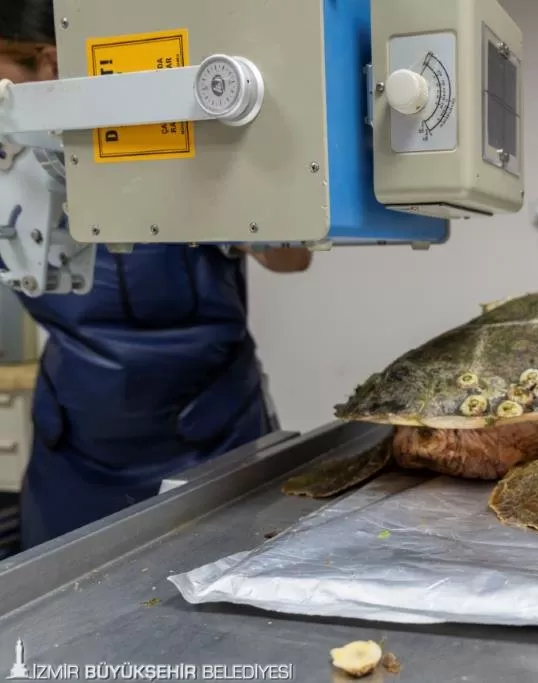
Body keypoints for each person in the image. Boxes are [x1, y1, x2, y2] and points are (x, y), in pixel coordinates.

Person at [0, 0, 313, 550]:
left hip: (211, 436)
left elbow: (293, 259)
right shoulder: (13, 171)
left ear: (47, 64)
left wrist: (248, 191)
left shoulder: (173, 135)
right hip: (75, 446)